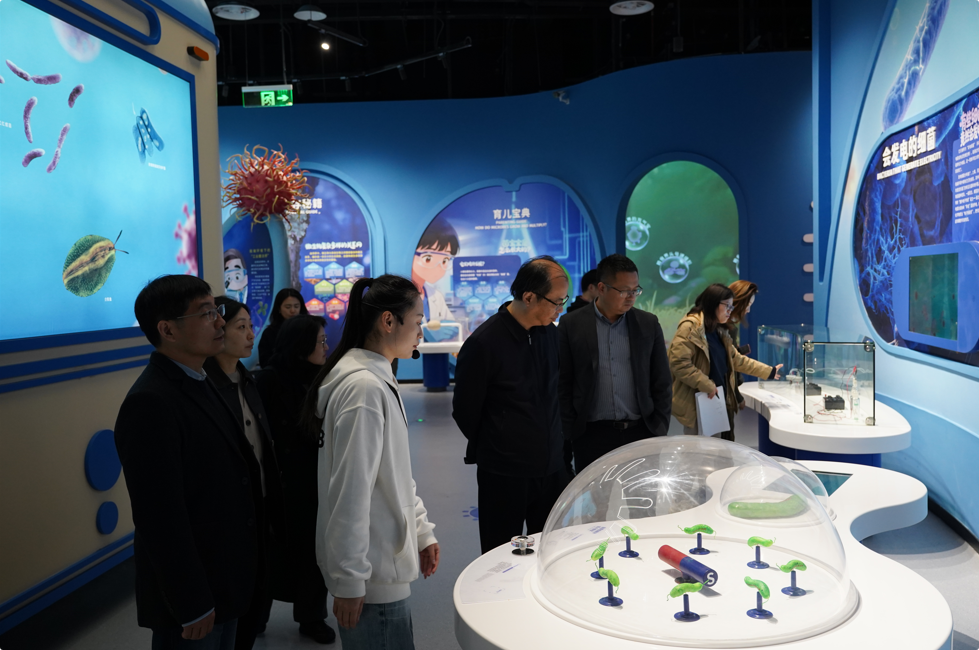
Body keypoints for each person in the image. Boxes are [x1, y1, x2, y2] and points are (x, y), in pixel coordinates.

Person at [114, 275, 262, 648]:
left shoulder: (201, 378)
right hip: (195, 596)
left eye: (216, 311)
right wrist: (191, 602)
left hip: (225, 577)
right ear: (167, 330)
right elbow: (159, 517)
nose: (219, 322)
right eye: (206, 313)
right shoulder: (150, 402)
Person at [302, 275, 440, 649]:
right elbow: (350, 492)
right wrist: (349, 580)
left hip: (383, 567)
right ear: (388, 321)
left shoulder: (377, 378)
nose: (421, 332)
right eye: (417, 321)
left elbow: (393, 473)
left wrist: (420, 530)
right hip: (373, 576)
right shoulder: (363, 388)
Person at [453, 256, 571, 554]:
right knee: (500, 557)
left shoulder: (550, 333)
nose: (560, 309)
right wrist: (500, 445)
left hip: (551, 469)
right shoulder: (484, 343)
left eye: (564, 301)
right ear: (529, 297)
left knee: (550, 552)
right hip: (504, 474)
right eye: (556, 302)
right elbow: (465, 410)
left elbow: (557, 394)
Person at [202, 297, 285, 650]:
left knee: (252, 601)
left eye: (251, 326)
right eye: (241, 327)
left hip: (259, 509)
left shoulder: (249, 381)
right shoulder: (205, 389)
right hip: (228, 518)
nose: (251, 334)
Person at [255, 314, 336, 645]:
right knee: (269, 553)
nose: (326, 347)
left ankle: (312, 616)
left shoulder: (323, 380)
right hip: (278, 481)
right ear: (301, 344)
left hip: (313, 479)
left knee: (313, 552)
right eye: (320, 341)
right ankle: (256, 616)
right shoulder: (267, 380)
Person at [558, 254, 672, 474]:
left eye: (635, 290)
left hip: (641, 433)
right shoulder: (571, 324)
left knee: (641, 495)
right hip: (591, 436)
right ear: (601, 288)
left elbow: (662, 381)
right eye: (624, 291)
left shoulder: (648, 324)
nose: (631, 297)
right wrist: (571, 430)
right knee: (594, 496)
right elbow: (563, 382)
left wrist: (658, 428)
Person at [668, 283, 781, 441]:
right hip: (699, 401)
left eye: (731, 306)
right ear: (713, 303)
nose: (730, 310)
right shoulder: (690, 326)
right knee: (698, 449)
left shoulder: (719, 329)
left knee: (716, 449)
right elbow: (679, 363)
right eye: (727, 306)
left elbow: (736, 359)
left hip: (716, 399)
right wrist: (706, 384)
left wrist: (769, 371)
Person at [412, 215, 458, 330]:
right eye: (428, 258)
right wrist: (428, 333)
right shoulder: (397, 297)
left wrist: (451, 329)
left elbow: (453, 327)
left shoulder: (436, 296)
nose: (438, 267)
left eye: (445, 260)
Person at [726, 280, 760, 409]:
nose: (748, 310)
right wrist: (737, 396)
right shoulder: (726, 328)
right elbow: (727, 367)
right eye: (748, 305)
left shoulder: (729, 327)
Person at [258, 288, 308, 367]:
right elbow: (264, 363)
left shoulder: (309, 330)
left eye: (296, 306)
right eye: (288, 307)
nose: (293, 310)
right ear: (279, 309)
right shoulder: (269, 333)